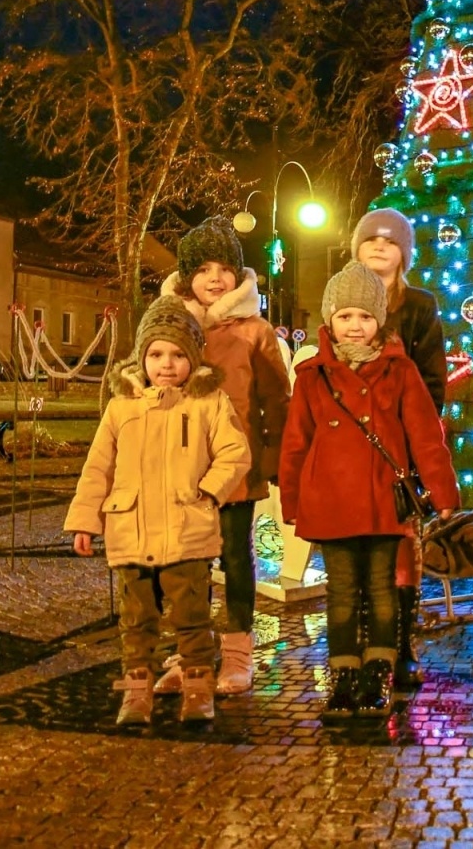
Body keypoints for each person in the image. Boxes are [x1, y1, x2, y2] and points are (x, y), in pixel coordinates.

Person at [279, 262, 459, 720]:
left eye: (364, 317)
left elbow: (425, 436)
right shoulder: (313, 376)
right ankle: (343, 675)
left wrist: (443, 494)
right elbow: (296, 442)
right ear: (329, 320)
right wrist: (293, 501)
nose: (355, 327)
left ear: (379, 320)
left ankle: (378, 671)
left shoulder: (400, 371)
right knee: (340, 593)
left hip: (383, 501)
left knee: (381, 590)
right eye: (345, 317)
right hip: (332, 502)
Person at [65, 294, 252, 726]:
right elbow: (99, 466)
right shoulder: (121, 407)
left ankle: (198, 689)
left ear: (192, 359)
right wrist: (84, 521)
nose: (166, 364)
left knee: (192, 618)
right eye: (156, 354)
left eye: (176, 355)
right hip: (130, 530)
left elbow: (234, 454)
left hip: (187, 529)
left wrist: (207, 492)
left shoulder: (208, 403)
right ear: (142, 358)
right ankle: (136, 693)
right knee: (136, 621)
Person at [150, 216, 290, 698]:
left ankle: (236, 653)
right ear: (187, 274)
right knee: (184, 562)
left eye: (225, 268)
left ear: (238, 275)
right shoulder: (168, 322)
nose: (215, 278)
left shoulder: (255, 331)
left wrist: (270, 459)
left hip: (235, 467)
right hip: (178, 468)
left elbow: (277, 400)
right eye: (204, 268)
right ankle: (189, 654)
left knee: (234, 557)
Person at [352, 207, 447, 690]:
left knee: (403, 549)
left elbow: (433, 378)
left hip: (400, 445)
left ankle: (402, 642)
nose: (380, 248)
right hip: (352, 444)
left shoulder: (419, 305)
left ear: (404, 254)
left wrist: (420, 437)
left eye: (390, 242)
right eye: (371, 240)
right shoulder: (343, 300)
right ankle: (363, 642)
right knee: (358, 550)